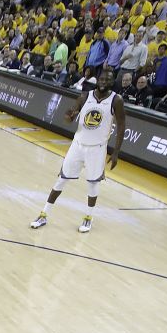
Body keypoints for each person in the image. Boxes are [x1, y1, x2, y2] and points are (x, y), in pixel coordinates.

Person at [31, 69, 126, 233]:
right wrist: (69, 116)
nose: (104, 82)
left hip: (97, 149)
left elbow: (122, 125)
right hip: (78, 145)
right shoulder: (84, 96)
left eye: (107, 80)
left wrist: (116, 152)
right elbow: (68, 118)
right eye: (102, 79)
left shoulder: (116, 100)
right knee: (61, 180)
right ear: (98, 80)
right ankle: (43, 214)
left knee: (93, 184)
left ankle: (88, 218)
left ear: (111, 82)